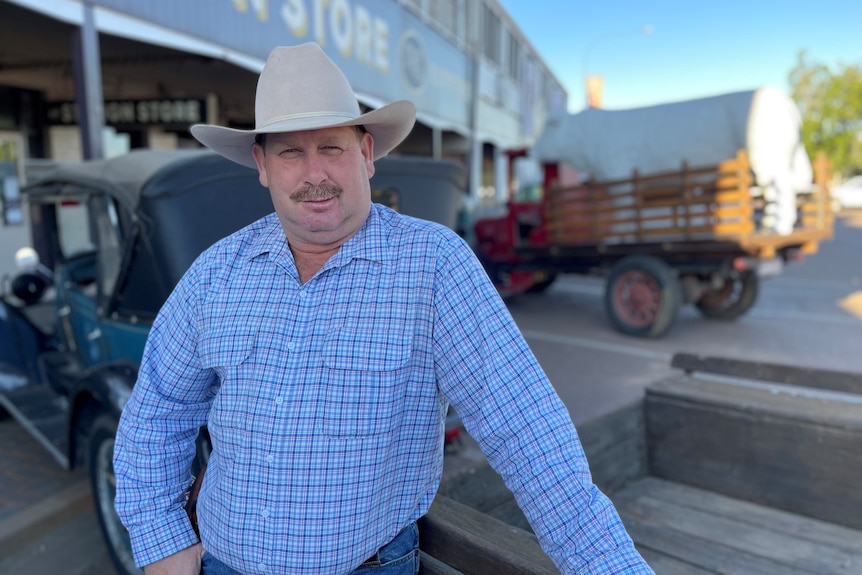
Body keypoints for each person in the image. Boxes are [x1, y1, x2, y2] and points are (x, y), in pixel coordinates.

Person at [113, 42, 654, 575]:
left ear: (366, 154)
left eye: (331, 147)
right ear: (262, 165)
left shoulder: (434, 266)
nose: (313, 174)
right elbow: (158, 409)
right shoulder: (217, 273)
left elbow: (528, 433)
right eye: (290, 152)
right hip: (221, 563)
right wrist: (160, 540)